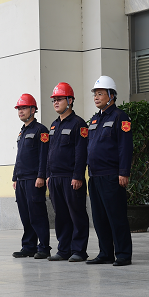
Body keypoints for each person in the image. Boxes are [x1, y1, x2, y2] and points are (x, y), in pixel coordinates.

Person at [85, 76, 134, 267]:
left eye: (100, 94)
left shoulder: (120, 117)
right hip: (95, 175)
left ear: (111, 95)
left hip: (112, 174)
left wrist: (124, 172)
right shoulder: (95, 119)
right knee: (99, 218)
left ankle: (123, 254)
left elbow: (125, 147)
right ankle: (105, 253)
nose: (96, 97)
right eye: (95, 94)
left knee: (116, 216)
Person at [46, 82, 89, 262]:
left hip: (71, 177)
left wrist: (78, 175)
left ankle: (79, 250)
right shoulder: (54, 125)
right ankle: (64, 249)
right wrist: (48, 175)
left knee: (76, 214)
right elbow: (50, 152)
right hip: (55, 178)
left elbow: (81, 152)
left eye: (59, 99)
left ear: (70, 100)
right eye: (54, 100)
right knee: (61, 215)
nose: (56, 102)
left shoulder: (79, 124)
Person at [11, 93, 51, 259]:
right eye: (19, 108)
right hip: (21, 179)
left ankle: (43, 247)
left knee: (37, 214)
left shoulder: (40, 130)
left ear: (33, 110)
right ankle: (29, 246)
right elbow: (19, 156)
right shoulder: (22, 131)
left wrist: (41, 176)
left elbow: (44, 155)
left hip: (34, 179)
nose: (20, 111)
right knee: (25, 215)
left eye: (24, 108)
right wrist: (15, 177)